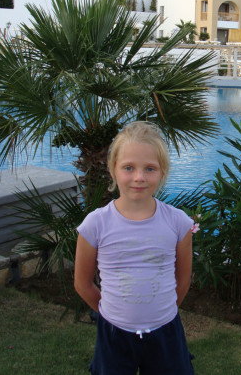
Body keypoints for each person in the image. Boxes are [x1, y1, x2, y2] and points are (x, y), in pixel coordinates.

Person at [74, 121, 195, 375]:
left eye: (149, 168)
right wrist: (112, 313)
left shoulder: (178, 223)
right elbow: (82, 284)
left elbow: (183, 279)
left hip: (166, 332)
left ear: (162, 172)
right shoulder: (95, 225)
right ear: (113, 170)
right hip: (114, 336)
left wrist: (162, 311)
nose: (139, 177)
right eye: (129, 167)